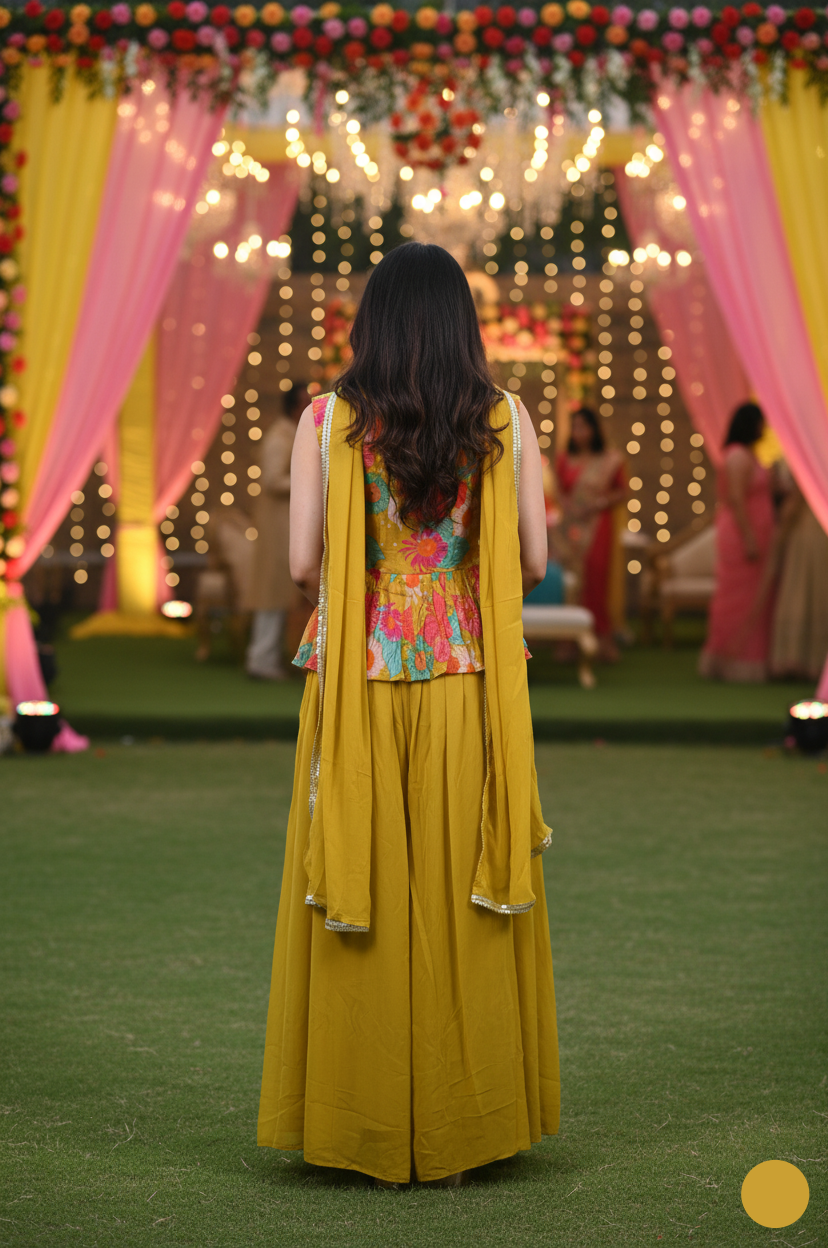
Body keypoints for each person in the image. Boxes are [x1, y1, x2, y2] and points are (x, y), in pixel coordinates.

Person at [258, 243, 559, 1187]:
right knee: (463, 888)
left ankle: (359, 1125)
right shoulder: (503, 419)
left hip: (359, 675)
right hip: (467, 670)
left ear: (372, 321)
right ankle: (470, 1128)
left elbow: (305, 566)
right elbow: (536, 560)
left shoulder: (327, 420)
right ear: (462, 323)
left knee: (363, 884)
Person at [699, 403, 775, 682]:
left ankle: (747, 660)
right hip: (743, 536)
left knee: (756, 598)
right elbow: (737, 499)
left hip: (757, 533)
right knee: (735, 599)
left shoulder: (750, 456)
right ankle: (729, 660)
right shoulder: (737, 457)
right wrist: (749, 538)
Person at [551, 407, 627, 659]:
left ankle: (602, 640)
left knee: (595, 579)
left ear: (594, 429)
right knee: (569, 581)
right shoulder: (564, 459)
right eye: (574, 427)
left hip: (597, 526)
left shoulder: (610, 460)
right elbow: (559, 491)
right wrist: (567, 504)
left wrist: (598, 504)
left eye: (583, 426)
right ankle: (568, 641)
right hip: (569, 528)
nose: (578, 432)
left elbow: (622, 493)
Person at [244, 382, 307, 680]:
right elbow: (271, 481)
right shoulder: (279, 438)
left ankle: (268, 657)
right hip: (277, 528)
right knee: (271, 594)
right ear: (295, 405)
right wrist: (311, 480)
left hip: (286, 525)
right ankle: (260, 658)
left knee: (280, 594)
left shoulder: (291, 433)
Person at [769, 470, 828, 681]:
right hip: (823, 536)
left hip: (806, 536)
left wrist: (780, 527)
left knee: (800, 594)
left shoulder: (805, 466)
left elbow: (793, 507)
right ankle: (818, 662)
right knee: (820, 595)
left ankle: (795, 660)